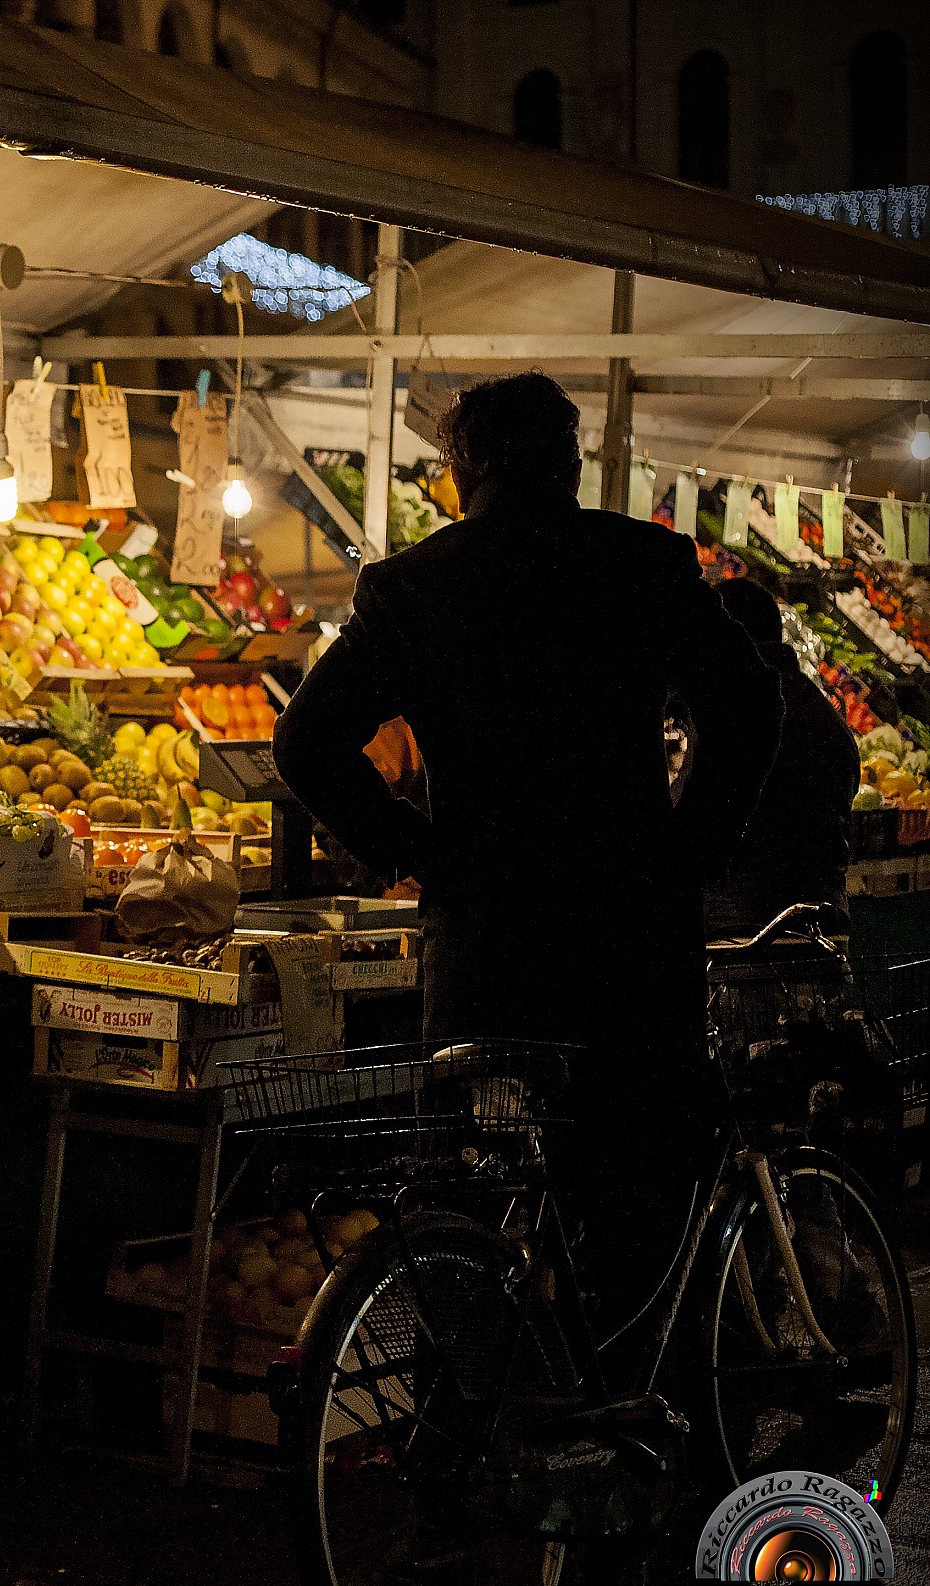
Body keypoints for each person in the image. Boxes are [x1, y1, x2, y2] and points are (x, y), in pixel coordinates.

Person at [272, 372, 782, 1331]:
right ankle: (634, 1424)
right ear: (573, 462)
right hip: (630, 943)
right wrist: (691, 846)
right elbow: (752, 701)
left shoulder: (416, 587)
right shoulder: (642, 565)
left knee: (464, 1209)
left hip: (489, 949)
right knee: (638, 1207)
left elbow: (303, 742)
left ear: (461, 475)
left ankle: (465, 1429)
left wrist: (413, 851)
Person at [702, 577, 858, 937]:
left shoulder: (729, 707)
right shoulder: (825, 715)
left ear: (728, 636)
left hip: (739, 933)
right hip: (823, 927)